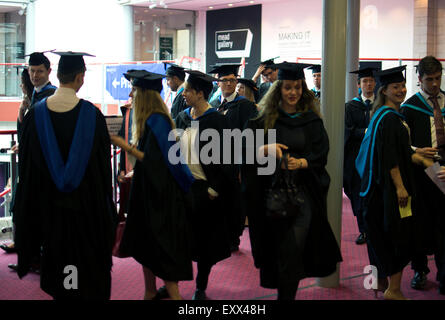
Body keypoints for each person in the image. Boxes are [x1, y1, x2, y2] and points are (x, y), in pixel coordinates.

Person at [13, 51, 116, 300]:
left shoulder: (34, 117)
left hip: (50, 215)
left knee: (61, 274)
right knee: (82, 274)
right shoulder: (92, 116)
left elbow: (26, 173)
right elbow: (103, 175)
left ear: (56, 76)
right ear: (80, 78)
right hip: (85, 215)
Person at [242, 62, 342, 300]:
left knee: (292, 253)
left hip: (303, 197)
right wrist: (265, 149)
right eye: (288, 87)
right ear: (279, 89)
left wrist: (304, 162)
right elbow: (241, 150)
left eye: (297, 87)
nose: (293, 92)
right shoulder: (263, 120)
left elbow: (321, 153)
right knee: (282, 256)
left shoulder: (311, 120)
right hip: (272, 198)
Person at [111, 69, 194, 300]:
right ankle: (148, 293)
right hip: (149, 194)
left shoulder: (157, 120)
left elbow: (158, 161)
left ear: (146, 94)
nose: (131, 94)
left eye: (135, 90)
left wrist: (123, 145)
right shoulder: (150, 119)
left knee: (162, 253)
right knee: (146, 250)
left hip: (161, 199)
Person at [355, 65, 434, 300]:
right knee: (397, 236)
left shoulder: (382, 115)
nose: (401, 90)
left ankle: (379, 283)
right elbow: (390, 158)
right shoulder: (389, 119)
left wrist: (416, 155)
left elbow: (396, 151)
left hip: (379, 188)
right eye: (395, 87)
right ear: (385, 90)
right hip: (390, 190)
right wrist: (400, 187)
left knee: (381, 235)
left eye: (402, 86)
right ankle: (394, 289)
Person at [175, 70, 241, 300]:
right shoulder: (183, 117)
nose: (183, 94)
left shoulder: (218, 121)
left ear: (200, 93)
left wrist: (215, 189)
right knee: (179, 239)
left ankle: (200, 287)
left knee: (204, 244)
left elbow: (228, 160)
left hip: (206, 191)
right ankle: (171, 283)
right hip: (184, 188)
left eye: (187, 90)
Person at [6, 52, 58, 271]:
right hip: (32, 164)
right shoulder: (35, 95)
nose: (35, 75)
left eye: (39, 71)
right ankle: (33, 256)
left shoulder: (51, 96)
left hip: (44, 166)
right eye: (32, 71)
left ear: (48, 72)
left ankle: (41, 258)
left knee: (41, 212)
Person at [400, 56, 445, 295]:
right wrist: (417, 150)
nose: (435, 84)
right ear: (420, 80)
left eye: (438, 78)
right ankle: (420, 271)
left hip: (444, 174)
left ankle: (444, 272)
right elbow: (401, 146)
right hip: (419, 176)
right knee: (419, 226)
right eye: (429, 80)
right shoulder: (409, 108)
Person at [209, 64, 258, 252]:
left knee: (234, 201)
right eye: (225, 80)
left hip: (234, 163)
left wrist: (240, 164)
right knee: (218, 200)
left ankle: (233, 238)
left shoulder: (245, 106)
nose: (229, 83)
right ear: (219, 83)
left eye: (232, 80)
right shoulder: (213, 104)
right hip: (214, 162)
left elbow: (249, 135)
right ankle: (219, 235)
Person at [0, 67, 33, 255]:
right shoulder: (28, 101)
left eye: (22, 82)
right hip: (26, 157)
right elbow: (22, 128)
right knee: (18, 203)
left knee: (21, 203)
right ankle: (20, 242)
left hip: (34, 161)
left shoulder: (40, 98)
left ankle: (23, 244)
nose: (21, 86)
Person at [344, 67, 378, 245]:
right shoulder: (350, 107)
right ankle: (363, 230)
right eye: (365, 81)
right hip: (357, 159)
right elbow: (347, 132)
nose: (369, 84)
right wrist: (367, 132)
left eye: (371, 81)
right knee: (357, 195)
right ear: (359, 85)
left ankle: (373, 228)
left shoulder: (381, 105)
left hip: (376, 157)